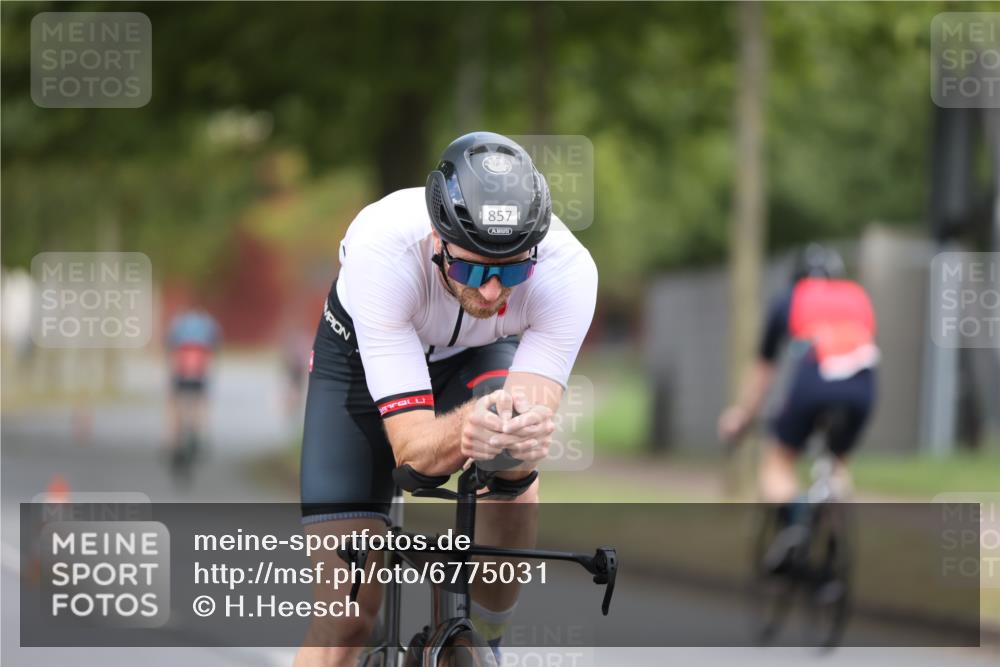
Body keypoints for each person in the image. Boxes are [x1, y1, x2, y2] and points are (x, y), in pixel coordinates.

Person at [295, 132, 597, 667]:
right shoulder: (382, 249)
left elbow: (525, 423)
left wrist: (513, 436)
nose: (490, 292)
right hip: (361, 365)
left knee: (511, 456)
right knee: (345, 622)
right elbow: (413, 454)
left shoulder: (568, 272)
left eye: (511, 271)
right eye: (472, 268)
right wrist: (465, 431)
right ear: (438, 240)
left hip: (478, 352)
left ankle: (487, 640)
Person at [718, 244, 878, 520]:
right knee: (838, 462)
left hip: (814, 381)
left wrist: (742, 415)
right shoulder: (857, 296)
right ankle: (835, 521)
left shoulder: (790, 299)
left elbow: (763, 371)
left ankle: (795, 525)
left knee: (778, 461)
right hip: (864, 384)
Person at [165, 305, 221, 465]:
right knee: (201, 402)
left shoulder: (178, 323)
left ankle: (173, 441)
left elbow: (171, 350)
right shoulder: (208, 323)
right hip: (200, 371)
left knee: (174, 404)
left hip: (181, 371)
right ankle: (198, 432)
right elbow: (213, 349)